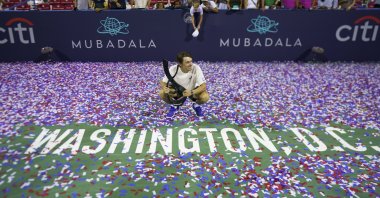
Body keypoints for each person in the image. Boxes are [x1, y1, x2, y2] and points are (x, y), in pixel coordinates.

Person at [159, 51, 209, 117]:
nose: (191, 64)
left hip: (192, 91)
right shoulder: (173, 69)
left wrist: (191, 92)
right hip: (178, 91)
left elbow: (203, 86)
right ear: (180, 64)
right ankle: (175, 105)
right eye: (187, 62)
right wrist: (164, 88)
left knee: (205, 97)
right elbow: (163, 82)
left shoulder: (196, 68)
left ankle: (196, 105)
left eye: (191, 61)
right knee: (162, 93)